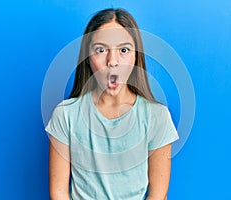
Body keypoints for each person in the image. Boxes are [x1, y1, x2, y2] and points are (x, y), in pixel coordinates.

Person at [45, 8, 179, 200]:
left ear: (136, 56)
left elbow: (158, 195)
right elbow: (58, 193)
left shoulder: (157, 117)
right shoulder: (65, 115)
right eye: (101, 50)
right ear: (87, 57)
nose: (112, 61)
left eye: (123, 50)